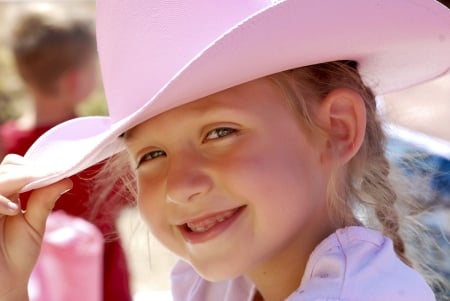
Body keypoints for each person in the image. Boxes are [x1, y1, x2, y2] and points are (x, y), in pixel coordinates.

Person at [0, 0, 449, 300]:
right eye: (151, 155)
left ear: (335, 129)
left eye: (219, 132)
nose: (179, 187)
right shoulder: (226, 283)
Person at [0, 5, 132, 301]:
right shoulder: (99, 143)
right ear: (74, 80)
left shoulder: (6, 146)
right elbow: (127, 198)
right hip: (103, 285)